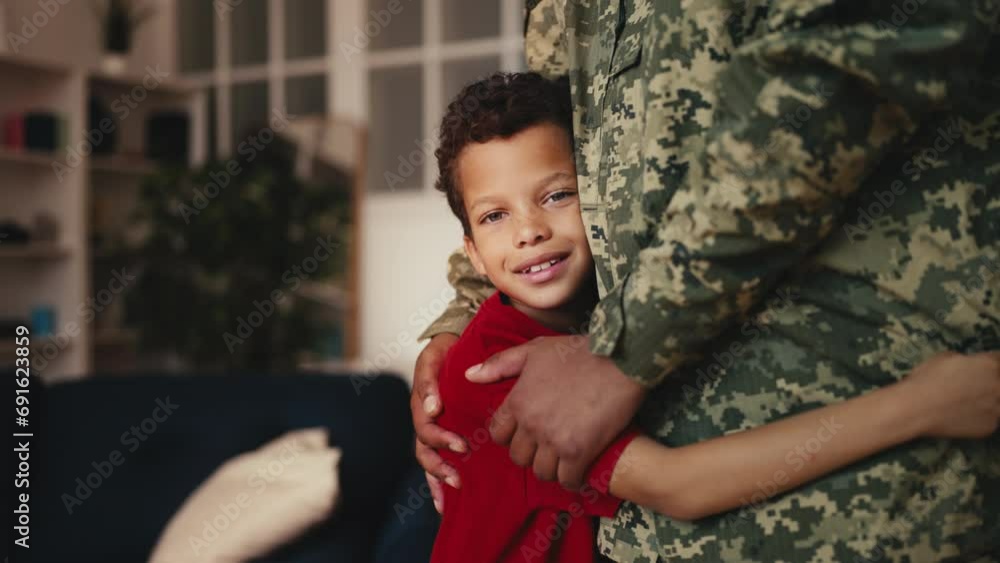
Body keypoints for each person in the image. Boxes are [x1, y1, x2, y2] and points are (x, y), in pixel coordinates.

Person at [415, 1, 1000, 560]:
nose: (530, 233)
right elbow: (681, 486)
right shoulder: (501, 370)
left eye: (559, 195)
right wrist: (925, 403)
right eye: (496, 217)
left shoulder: (556, 330)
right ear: (471, 247)